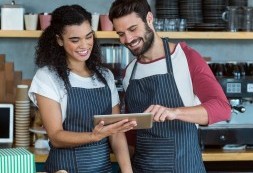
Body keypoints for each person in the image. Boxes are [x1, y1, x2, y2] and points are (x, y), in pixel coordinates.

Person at [108, 0, 231, 172]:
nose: (127, 39)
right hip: (142, 168)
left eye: (133, 29)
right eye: (120, 33)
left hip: (183, 167)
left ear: (149, 19)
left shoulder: (186, 58)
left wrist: (174, 112)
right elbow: (132, 132)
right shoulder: (130, 72)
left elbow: (222, 108)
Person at [28, 5, 137, 173]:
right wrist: (95, 136)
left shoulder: (105, 76)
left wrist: (127, 170)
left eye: (88, 36)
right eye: (75, 40)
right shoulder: (48, 77)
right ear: (59, 40)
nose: (84, 45)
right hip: (64, 169)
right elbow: (56, 136)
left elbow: (116, 132)